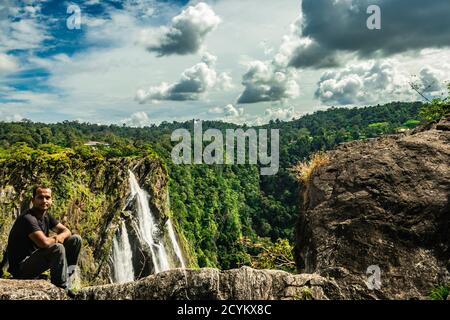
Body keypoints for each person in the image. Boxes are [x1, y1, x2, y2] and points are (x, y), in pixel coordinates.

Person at [6, 185, 81, 292]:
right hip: (21, 268)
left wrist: (59, 236)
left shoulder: (46, 216)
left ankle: (67, 278)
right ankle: (61, 288)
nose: (44, 200)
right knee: (57, 248)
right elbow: (44, 243)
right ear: (33, 200)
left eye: (47, 197)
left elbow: (67, 231)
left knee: (75, 240)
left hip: (36, 260)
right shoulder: (28, 218)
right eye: (40, 197)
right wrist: (56, 238)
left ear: (51, 200)